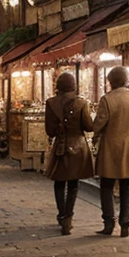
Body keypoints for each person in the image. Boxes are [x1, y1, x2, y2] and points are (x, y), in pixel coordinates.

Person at [92, 66, 129, 237]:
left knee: (107, 186)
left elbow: (98, 124)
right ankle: (125, 224)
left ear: (111, 81)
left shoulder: (107, 100)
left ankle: (109, 223)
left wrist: (95, 136)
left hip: (109, 147)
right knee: (127, 186)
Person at [45, 72, 94, 234]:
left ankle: (61, 214)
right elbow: (88, 126)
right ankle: (68, 217)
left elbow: (50, 131)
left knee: (59, 182)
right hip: (78, 148)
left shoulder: (51, 103)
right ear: (74, 86)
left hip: (60, 147)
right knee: (73, 184)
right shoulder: (81, 103)